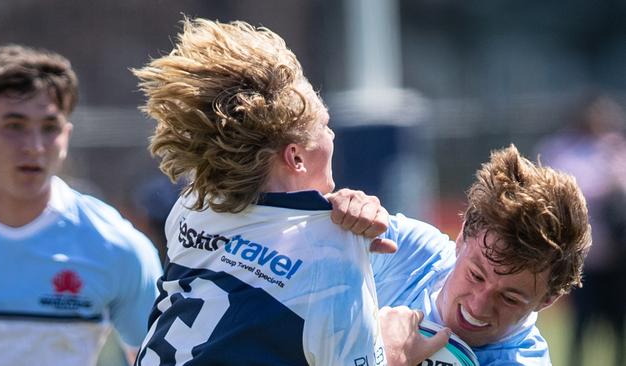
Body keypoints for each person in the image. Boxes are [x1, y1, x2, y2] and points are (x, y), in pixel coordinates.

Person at [131, 17, 447, 366]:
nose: (333, 137)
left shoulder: (193, 207)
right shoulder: (331, 258)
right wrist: (393, 352)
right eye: (325, 126)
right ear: (296, 156)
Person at [0, 44, 163, 366]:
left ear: (67, 134)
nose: (33, 147)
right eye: (14, 126)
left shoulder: (116, 246)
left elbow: (156, 358)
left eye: (49, 129)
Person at [368, 145, 592, 365]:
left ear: (546, 300)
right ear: (461, 239)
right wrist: (342, 214)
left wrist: (387, 359)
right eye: (476, 275)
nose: (478, 307)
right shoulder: (404, 249)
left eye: (509, 298)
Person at [536, 94, 626, 366]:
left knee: (619, 321)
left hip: (618, 255)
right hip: (582, 255)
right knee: (581, 320)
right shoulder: (561, 149)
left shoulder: (616, 150)